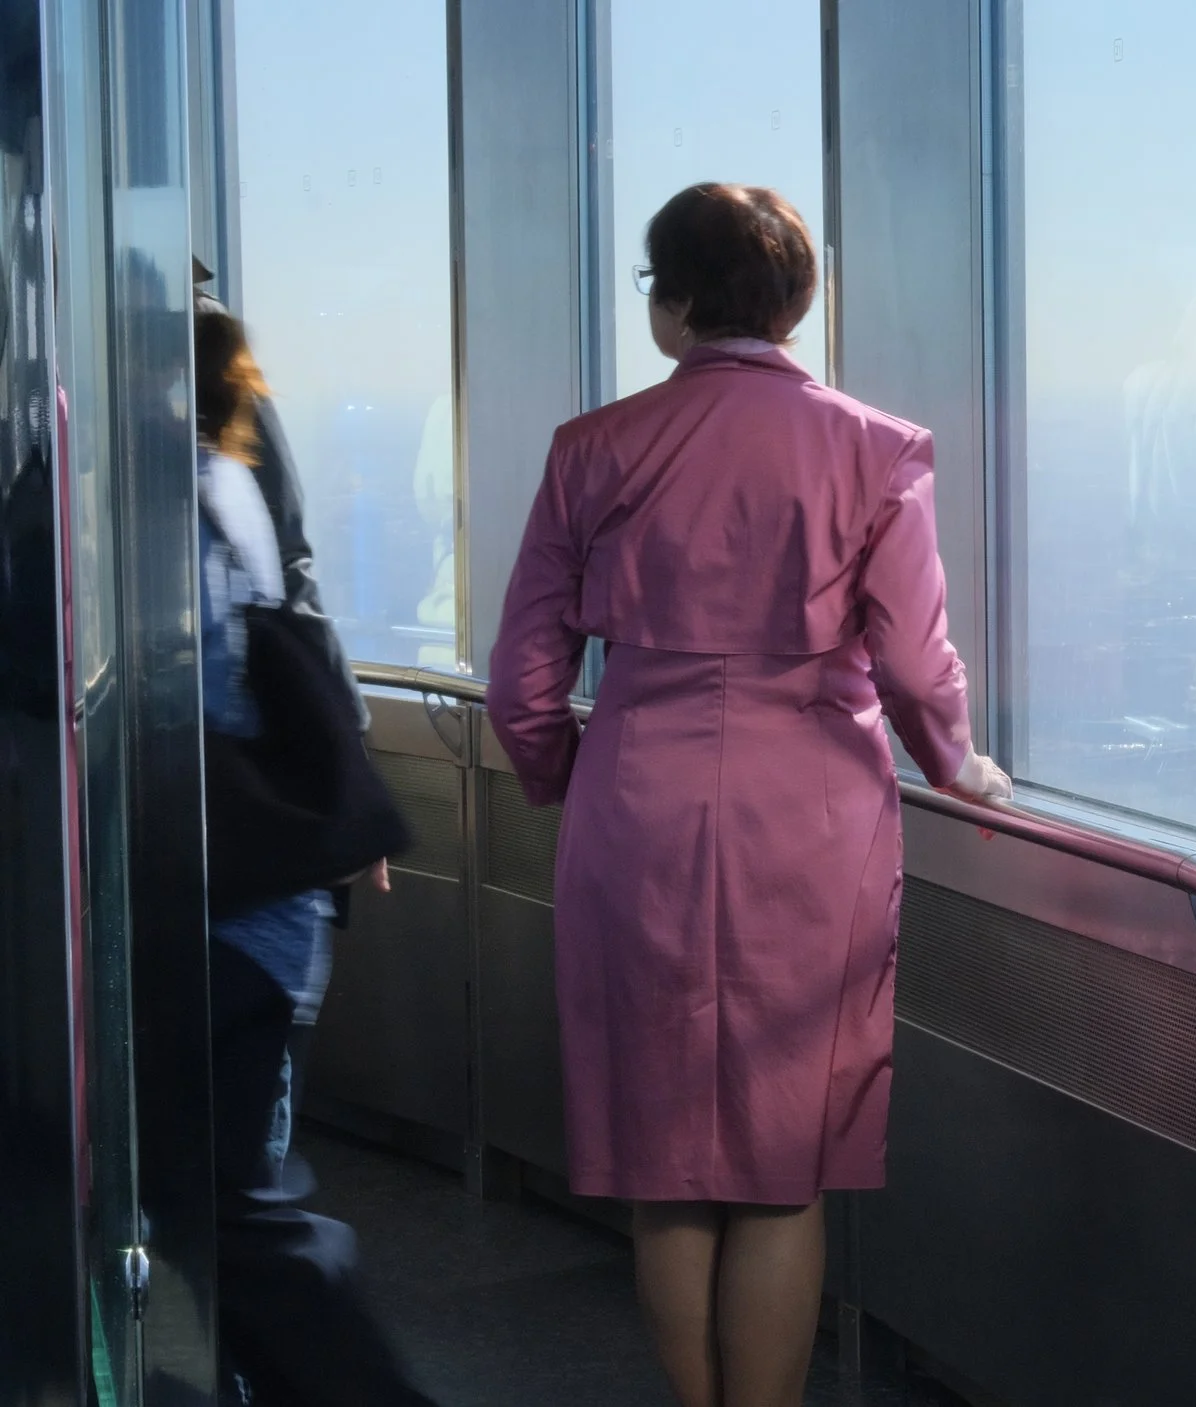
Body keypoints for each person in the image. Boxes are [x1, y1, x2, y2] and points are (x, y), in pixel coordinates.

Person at [486, 182, 1011, 1407]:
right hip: (811, 821)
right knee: (783, 1166)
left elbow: (524, 676)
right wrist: (956, 764)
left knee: (662, 1160)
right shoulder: (877, 448)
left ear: (668, 306)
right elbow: (915, 659)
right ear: (796, 303)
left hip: (636, 806)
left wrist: (569, 773)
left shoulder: (590, 449)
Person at [194, 294, 436, 1406]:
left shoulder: (193, 505)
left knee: (239, 1201)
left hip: (234, 896)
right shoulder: (227, 485)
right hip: (261, 894)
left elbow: (205, 691)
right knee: (237, 1189)